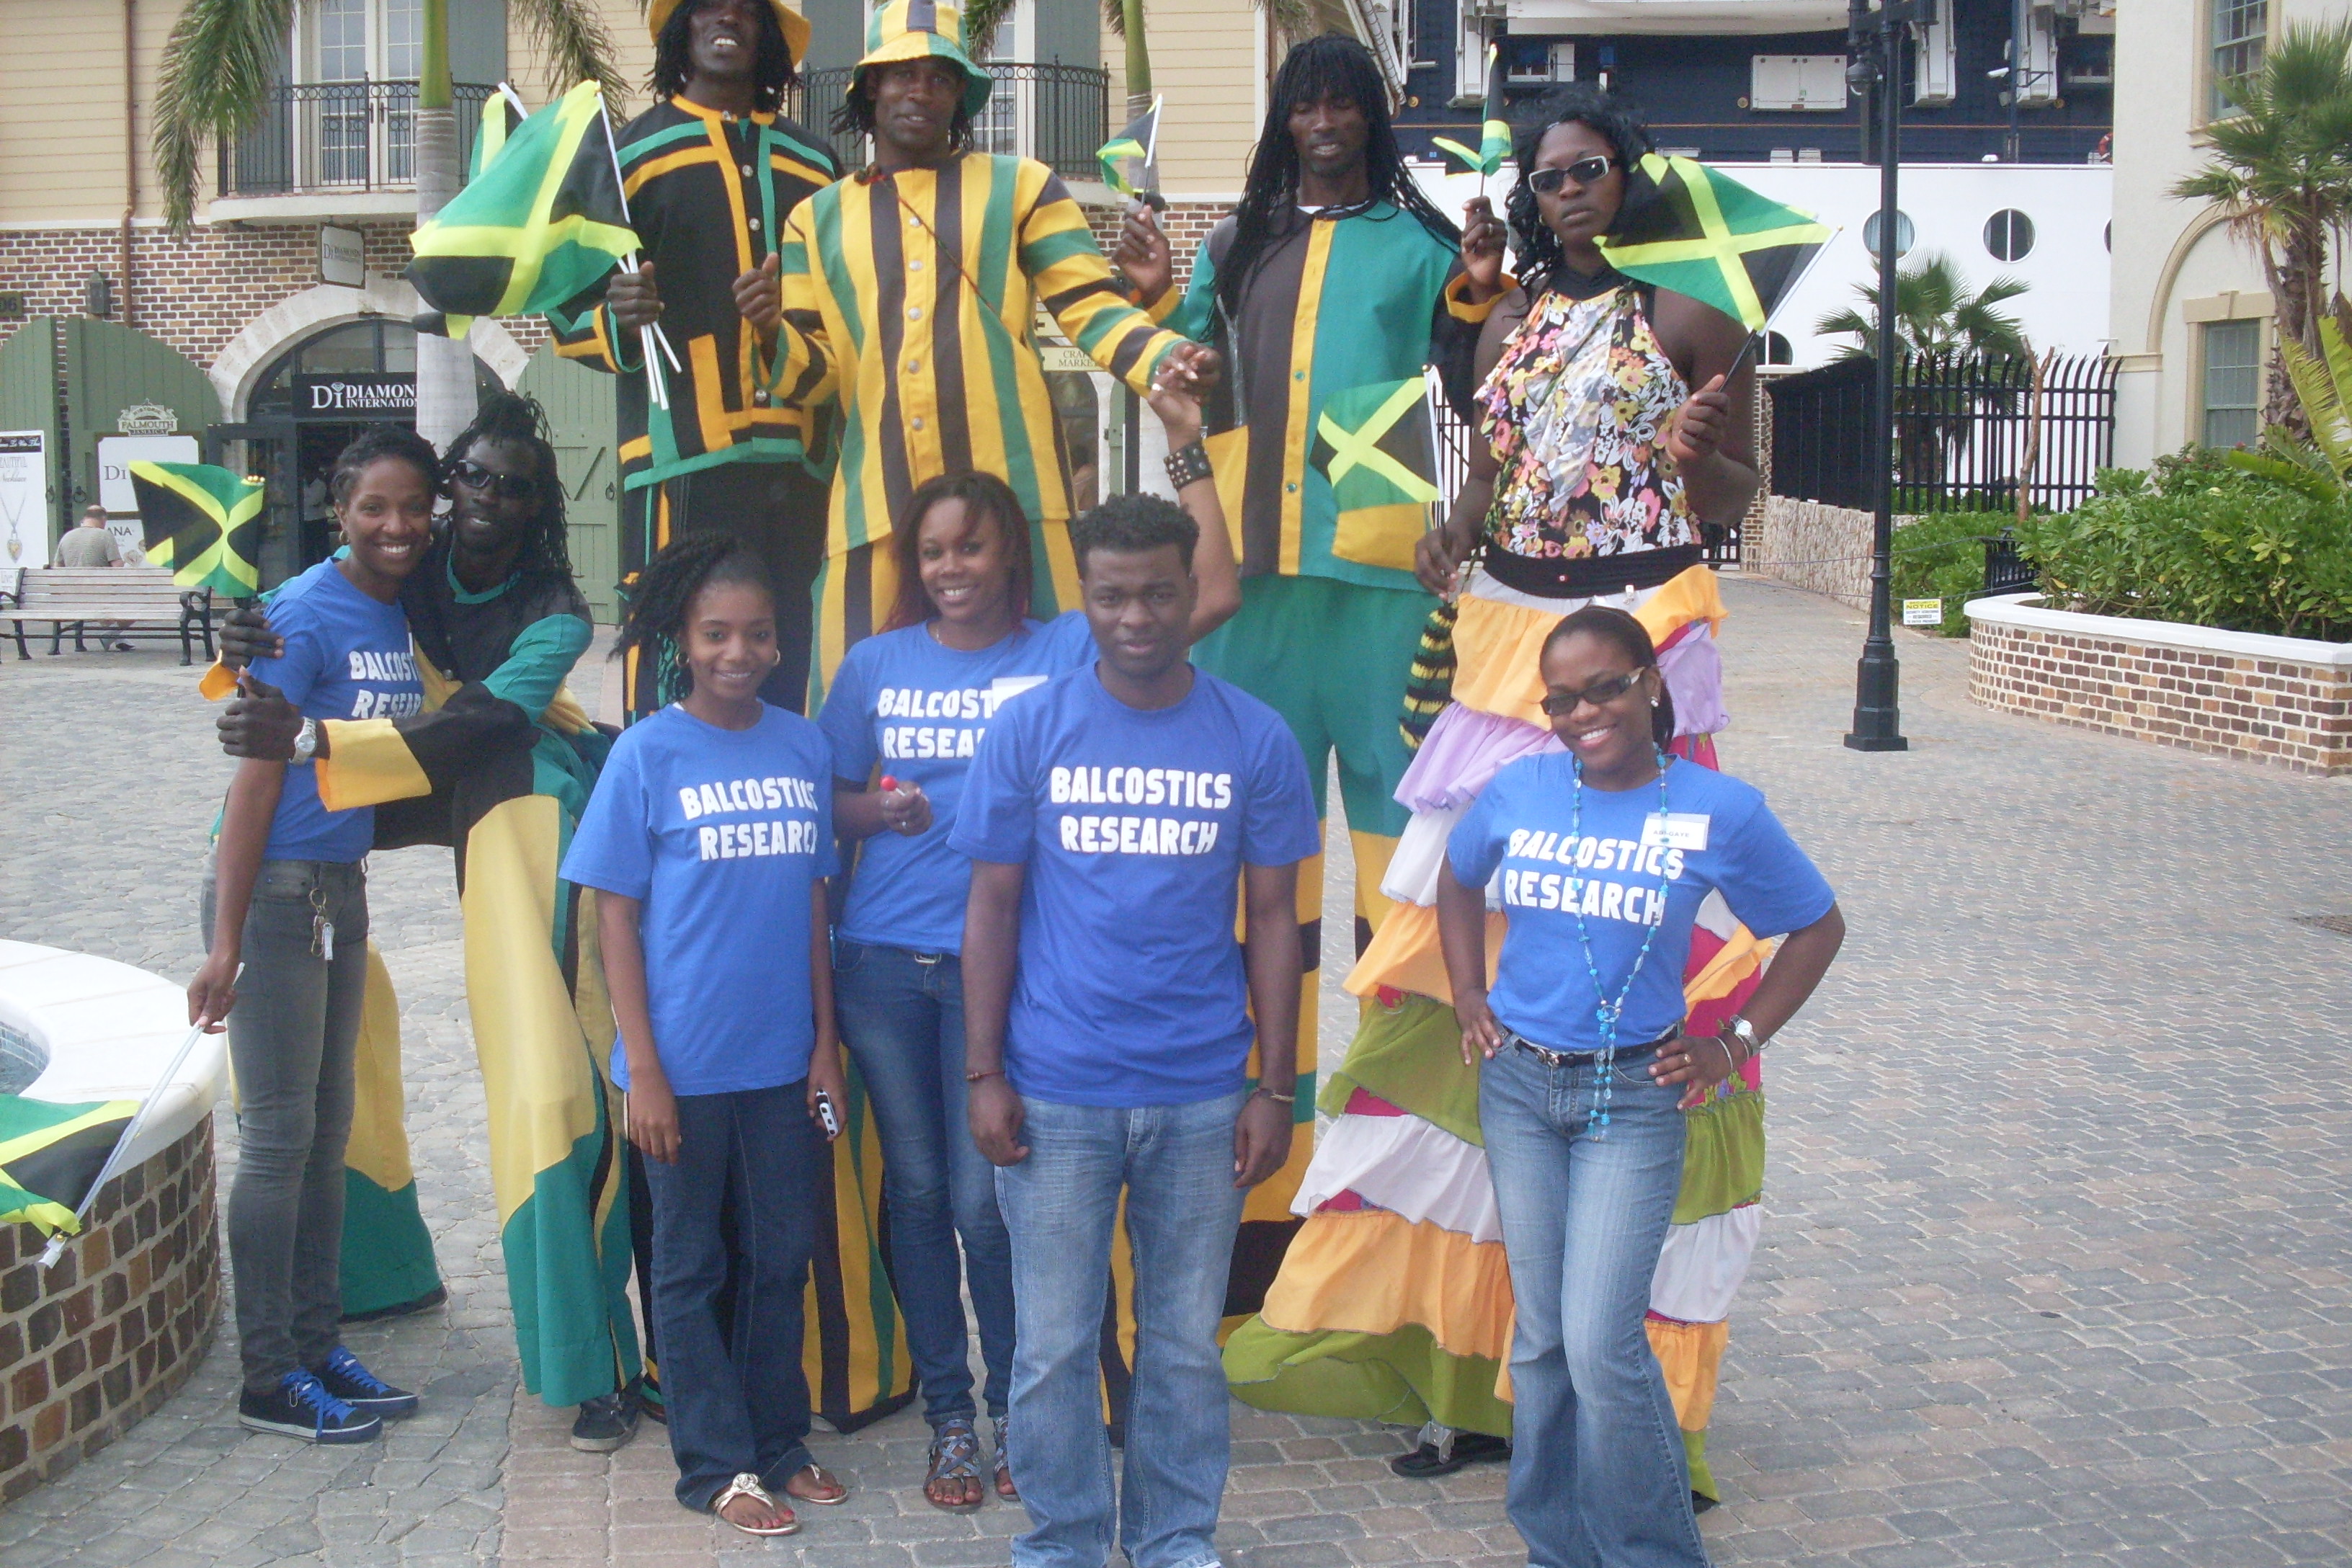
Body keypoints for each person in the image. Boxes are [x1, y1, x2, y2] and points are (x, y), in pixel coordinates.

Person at [1223, 85, 1774, 1501]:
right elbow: (1489, 472)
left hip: (1632, 644)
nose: (1570, 188)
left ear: (1626, 175)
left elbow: (1735, 499)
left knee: (1626, 967)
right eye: (1550, 174)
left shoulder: (1694, 317)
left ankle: (1619, 1383)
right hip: (1501, 648)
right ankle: (1468, 1372)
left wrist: (1703, 448)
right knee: (1470, 1004)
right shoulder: (1505, 315)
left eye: (1590, 167)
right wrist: (1447, 532)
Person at [1110, 32, 1508, 1309]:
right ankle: (1252, 1213)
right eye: (1306, 104)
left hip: (1385, 589)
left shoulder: (1423, 245)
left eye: (1345, 103)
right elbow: (1175, 371)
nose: (1325, 120)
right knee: (1255, 901)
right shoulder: (1234, 247)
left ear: (1372, 119)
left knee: (1400, 896)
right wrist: (1147, 306)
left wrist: (1481, 291)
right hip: (1251, 591)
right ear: (1283, 119)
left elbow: (1477, 379)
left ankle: (1394, 1212)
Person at [816, 376, 1239, 1513]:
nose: (952, 566)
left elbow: (1213, 587)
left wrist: (1188, 447)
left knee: (981, 1201)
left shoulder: (1062, 647)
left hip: (997, 969)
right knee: (916, 1194)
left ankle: (1021, 1409)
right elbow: (826, 801)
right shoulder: (874, 664)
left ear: (1011, 552)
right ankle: (951, 1421)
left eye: (973, 546)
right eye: (934, 550)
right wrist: (882, 810)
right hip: (880, 959)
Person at [213, 394, 645, 1452]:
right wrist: (242, 635)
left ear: (541, 504)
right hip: (336, 842)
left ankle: (576, 1355)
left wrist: (313, 737)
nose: (485, 499)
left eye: (516, 486)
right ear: (450, 482)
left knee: (540, 1083)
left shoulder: (550, 610)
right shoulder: (399, 568)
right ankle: (315, 1329)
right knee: (304, 1109)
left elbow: (484, 721)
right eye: (474, 477)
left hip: (502, 809)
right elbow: (284, 668)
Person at [951, 496, 1322, 1568]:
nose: (1136, 617)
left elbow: (1273, 922)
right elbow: (991, 908)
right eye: (1111, 596)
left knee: (1182, 1348)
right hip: (1056, 1089)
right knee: (1052, 1348)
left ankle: (1172, 1540)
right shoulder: (1029, 729)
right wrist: (983, 1071)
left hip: (1203, 1093)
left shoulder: (1254, 736)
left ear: (1190, 588)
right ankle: (1063, 1543)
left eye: (1159, 593)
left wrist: (1275, 1087)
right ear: (1083, 595)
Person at [1438, 606, 1843, 1564]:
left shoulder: (1718, 809)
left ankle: (1653, 1553)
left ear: (1652, 683)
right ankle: (1557, 1545)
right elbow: (1458, 879)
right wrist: (1466, 992)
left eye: (1606, 688)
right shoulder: (1520, 788)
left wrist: (1733, 1044)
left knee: (1598, 1340)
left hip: (1632, 1099)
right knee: (1543, 1338)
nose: (1584, 714)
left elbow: (1817, 926)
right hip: (1520, 1089)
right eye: (1562, 700)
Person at [765, 0, 1219, 695]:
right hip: (877, 507)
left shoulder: (1025, 186)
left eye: (940, 78)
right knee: (854, 699)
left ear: (960, 96)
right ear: (870, 89)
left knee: (1059, 691)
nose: (920, 91)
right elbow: (814, 378)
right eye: (902, 74)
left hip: (1017, 495)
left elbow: (1089, 305)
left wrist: (1164, 357)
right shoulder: (813, 220)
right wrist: (768, 333)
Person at [561, 533, 850, 1536]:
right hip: (678, 1066)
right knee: (689, 1268)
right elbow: (614, 918)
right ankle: (717, 1465)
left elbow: (813, 904)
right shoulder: (645, 753)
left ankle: (779, 1441)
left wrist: (824, 1045)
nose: (740, 652)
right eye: (717, 633)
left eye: (758, 633)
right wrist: (642, 1067)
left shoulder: (803, 746)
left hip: (781, 1062)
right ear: (681, 640)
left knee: (780, 1257)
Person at [186, 427, 438, 1444]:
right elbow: (254, 783)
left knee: (327, 1136)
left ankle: (317, 1342)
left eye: (412, 507)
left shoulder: (400, 607)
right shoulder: (299, 612)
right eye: (374, 507)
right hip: (277, 898)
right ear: (340, 511)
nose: (395, 525)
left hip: (340, 892)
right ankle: (268, 1374)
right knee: (280, 1139)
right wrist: (225, 943)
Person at [548, 0, 838, 716]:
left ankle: (787, 775)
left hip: (801, 457)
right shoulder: (626, 158)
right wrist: (617, 315)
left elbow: (848, 302)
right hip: (678, 453)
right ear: (680, 29)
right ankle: (661, 780)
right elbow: (562, 304)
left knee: (792, 638)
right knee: (670, 637)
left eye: (746, 9)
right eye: (706, 6)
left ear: (770, 36)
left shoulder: (818, 165)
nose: (726, 19)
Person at [57, 504, 133, 651]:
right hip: (99, 597)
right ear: (103, 519)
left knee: (107, 599)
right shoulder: (105, 535)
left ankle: (117, 638)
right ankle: (111, 634)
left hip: (71, 598)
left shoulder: (67, 537)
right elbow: (117, 567)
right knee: (137, 601)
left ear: (85, 518)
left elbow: (57, 567)